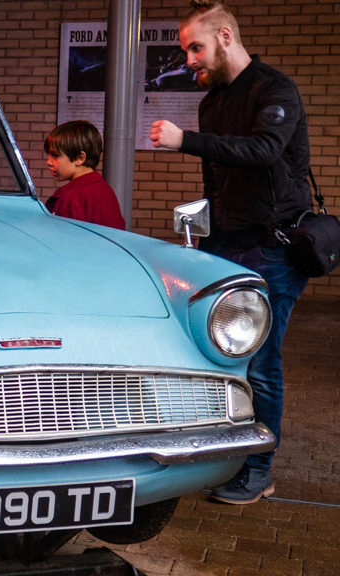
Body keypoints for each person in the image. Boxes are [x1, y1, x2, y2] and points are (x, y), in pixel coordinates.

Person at [150, 0, 311, 505]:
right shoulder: (213, 101)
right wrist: (205, 235)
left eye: (195, 48)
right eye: (186, 51)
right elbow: (217, 180)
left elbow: (264, 151)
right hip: (226, 246)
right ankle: (225, 456)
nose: (189, 60)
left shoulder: (275, 90)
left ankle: (258, 470)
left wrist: (186, 141)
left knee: (260, 364)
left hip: (274, 247)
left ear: (224, 37)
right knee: (214, 357)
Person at [43, 120, 126, 230]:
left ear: (80, 158)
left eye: (55, 155)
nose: (48, 162)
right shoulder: (104, 190)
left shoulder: (73, 196)